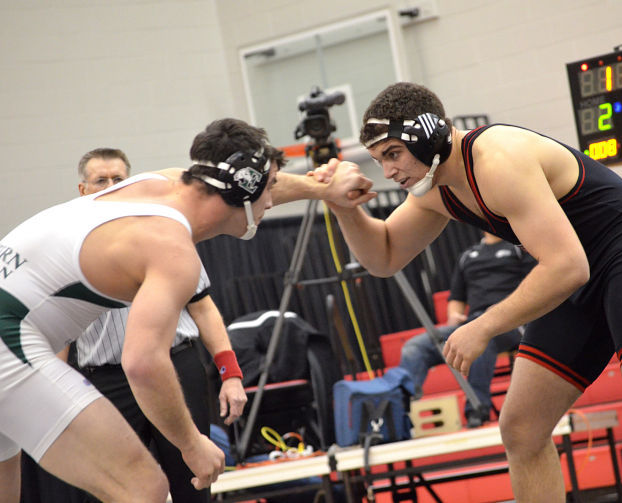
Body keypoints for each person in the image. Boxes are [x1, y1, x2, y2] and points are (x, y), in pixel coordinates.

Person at [313, 82, 622, 502]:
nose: (389, 171)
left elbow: (567, 265)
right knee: (522, 429)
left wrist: (483, 325)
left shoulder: (496, 159)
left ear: (429, 137)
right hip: (575, 273)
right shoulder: (435, 189)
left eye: (393, 153)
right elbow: (385, 257)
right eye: (379, 160)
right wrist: (343, 208)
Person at [0, 117, 374, 503]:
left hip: (13, 331)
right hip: (9, 341)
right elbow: (143, 363)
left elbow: (254, 184)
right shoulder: (173, 249)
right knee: (145, 487)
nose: (270, 201)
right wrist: (192, 443)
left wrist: (324, 188)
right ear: (244, 192)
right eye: (268, 189)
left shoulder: (164, 182)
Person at [20, 147, 248, 503]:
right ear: (83, 190)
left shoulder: (164, 233)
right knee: (113, 490)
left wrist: (230, 372)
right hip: (107, 380)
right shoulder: (65, 243)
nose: (111, 186)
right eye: (101, 181)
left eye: (118, 180)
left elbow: (203, 309)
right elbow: (56, 331)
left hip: (174, 369)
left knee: (193, 483)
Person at [399, 231, 535, 427]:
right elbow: (456, 299)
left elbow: (533, 287)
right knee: (416, 347)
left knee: (480, 335)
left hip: (511, 322)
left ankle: (476, 409)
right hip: (473, 321)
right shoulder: (467, 256)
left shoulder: (518, 247)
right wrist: (454, 316)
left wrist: (500, 314)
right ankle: (400, 412)